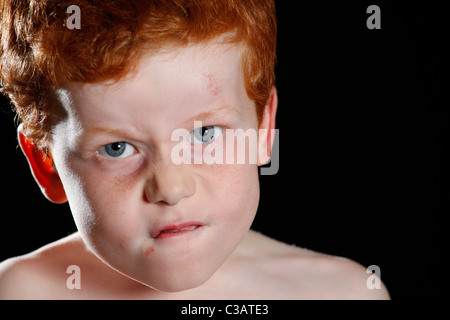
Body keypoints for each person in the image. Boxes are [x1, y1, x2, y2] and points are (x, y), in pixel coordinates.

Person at [0, 0, 389, 299]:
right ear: (46, 164)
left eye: (205, 134)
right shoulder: (16, 291)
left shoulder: (342, 292)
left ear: (263, 130)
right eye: (117, 148)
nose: (170, 188)